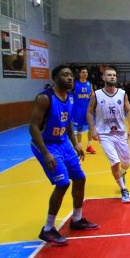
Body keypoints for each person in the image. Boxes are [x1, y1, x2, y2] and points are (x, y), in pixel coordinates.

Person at [28, 64, 98, 246]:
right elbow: (33, 127)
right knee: (63, 183)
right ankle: (48, 229)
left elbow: (67, 123)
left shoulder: (70, 97)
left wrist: (76, 143)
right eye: (65, 75)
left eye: (71, 75)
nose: (70, 78)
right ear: (55, 78)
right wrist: (45, 153)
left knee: (80, 178)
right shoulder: (45, 98)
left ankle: (77, 219)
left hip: (63, 143)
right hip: (47, 145)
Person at [87, 66, 130, 203]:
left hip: (120, 133)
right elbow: (89, 112)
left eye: (114, 75)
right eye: (109, 75)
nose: (112, 77)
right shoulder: (96, 94)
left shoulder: (122, 93)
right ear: (103, 77)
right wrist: (92, 129)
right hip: (104, 134)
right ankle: (123, 189)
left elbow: (129, 110)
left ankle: (122, 173)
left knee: (126, 163)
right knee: (115, 162)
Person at [71, 67, 97, 155]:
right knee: (79, 128)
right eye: (83, 72)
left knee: (90, 126)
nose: (85, 73)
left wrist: (94, 105)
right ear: (79, 74)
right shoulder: (75, 84)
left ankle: (89, 145)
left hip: (88, 109)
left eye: (86, 72)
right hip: (78, 109)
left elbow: (92, 95)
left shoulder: (89, 84)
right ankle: (79, 146)